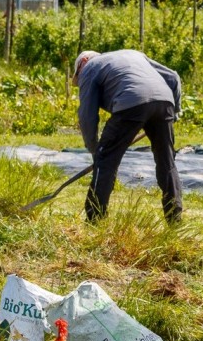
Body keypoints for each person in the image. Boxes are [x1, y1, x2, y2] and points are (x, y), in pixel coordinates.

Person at [73, 49, 183, 224]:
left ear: (83, 62)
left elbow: (87, 117)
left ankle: (94, 222)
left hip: (131, 101)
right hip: (164, 102)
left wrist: (97, 152)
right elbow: (173, 77)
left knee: (106, 161)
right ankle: (174, 220)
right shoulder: (132, 54)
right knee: (166, 162)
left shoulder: (89, 67)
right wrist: (174, 112)